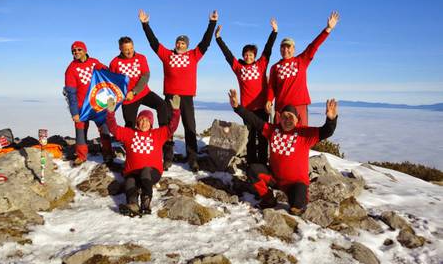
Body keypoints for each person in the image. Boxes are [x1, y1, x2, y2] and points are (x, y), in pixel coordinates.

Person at [229, 89, 338, 215]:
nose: (287, 120)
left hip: (295, 184)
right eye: (284, 116)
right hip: (275, 180)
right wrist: (237, 107)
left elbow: (326, 131)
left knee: (296, 208)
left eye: (290, 117)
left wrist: (331, 120)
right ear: (279, 118)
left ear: (297, 119)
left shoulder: (305, 134)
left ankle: (297, 200)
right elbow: (254, 120)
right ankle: (268, 198)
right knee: (253, 170)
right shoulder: (273, 130)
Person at [138, 9, 218, 172]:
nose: (180, 45)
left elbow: (205, 43)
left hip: (187, 97)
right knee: (168, 127)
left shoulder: (193, 55)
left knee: (190, 126)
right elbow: (154, 43)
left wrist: (212, 23)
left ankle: (192, 158)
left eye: (183, 43)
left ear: (186, 45)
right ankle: (167, 158)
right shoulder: (167, 55)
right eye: (178, 42)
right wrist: (145, 25)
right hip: (170, 95)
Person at [215, 18, 278, 165]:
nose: (248, 56)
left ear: (254, 56)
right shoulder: (239, 68)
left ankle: (262, 164)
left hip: (262, 108)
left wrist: (274, 32)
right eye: (246, 54)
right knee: (250, 137)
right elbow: (227, 55)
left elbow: (268, 49)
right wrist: (218, 38)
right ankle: (251, 163)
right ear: (243, 55)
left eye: (251, 54)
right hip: (247, 109)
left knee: (263, 137)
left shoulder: (261, 64)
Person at [106, 95, 181, 216]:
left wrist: (176, 112)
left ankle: (146, 204)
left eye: (146, 120)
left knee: (145, 171)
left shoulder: (158, 134)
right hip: (133, 171)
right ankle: (133, 204)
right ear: (137, 123)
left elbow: (172, 127)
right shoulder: (129, 134)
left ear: (151, 123)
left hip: (152, 172)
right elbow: (113, 129)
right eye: (141, 120)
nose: (143, 122)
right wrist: (110, 113)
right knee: (130, 180)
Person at [266, 11, 340, 126]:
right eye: (283, 47)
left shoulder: (301, 60)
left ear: (294, 49)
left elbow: (314, 46)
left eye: (288, 47)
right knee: (281, 137)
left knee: (301, 136)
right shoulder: (275, 67)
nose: (285, 50)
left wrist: (328, 29)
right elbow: (272, 87)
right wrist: (269, 100)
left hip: (299, 106)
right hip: (281, 108)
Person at [64, 41, 114, 167]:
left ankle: (108, 153)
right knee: (80, 131)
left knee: (104, 129)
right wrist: (74, 112)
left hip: (97, 104)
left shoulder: (94, 62)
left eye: (79, 50)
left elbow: (106, 72)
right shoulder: (71, 69)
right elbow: (71, 93)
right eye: (74, 51)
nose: (76, 52)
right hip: (81, 107)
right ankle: (81, 155)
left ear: (85, 50)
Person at [109, 36, 168, 129]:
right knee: (129, 126)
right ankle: (130, 142)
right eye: (126, 49)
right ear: (120, 49)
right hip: (128, 99)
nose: (129, 51)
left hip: (143, 93)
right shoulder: (114, 62)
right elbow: (113, 82)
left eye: (131, 48)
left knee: (162, 105)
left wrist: (134, 91)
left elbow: (145, 76)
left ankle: (164, 136)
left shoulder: (141, 58)